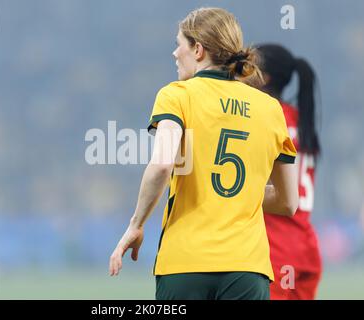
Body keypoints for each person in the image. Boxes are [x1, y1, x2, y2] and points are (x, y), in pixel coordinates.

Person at [109, 7, 299, 300]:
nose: (175, 53)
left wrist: (136, 224)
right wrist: (241, 193)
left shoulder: (176, 95)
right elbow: (288, 203)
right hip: (247, 268)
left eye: (180, 44)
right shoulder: (270, 109)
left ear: (198, 49)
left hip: (185, 264)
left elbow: (161, 165)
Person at [257, 44, 322, 300]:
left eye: (247, 66)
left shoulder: (264, 118)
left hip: (275, 249)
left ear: (264, 77)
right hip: (305, 247)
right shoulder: (299, 119)